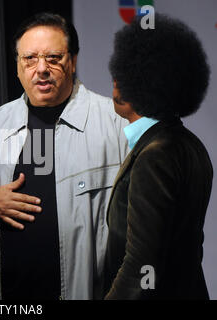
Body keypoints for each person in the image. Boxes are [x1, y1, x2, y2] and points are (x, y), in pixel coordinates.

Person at [0, 12, 129, 300]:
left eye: (53, 58)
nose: (41, 69)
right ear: (18, 65)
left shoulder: (117, 124)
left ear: (73, 60)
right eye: (29, 59)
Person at [103, 14, 213, 299]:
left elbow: (142, 263)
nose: (115, 80)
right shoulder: (190, 144)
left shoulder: (155, 155)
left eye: (125, 73)